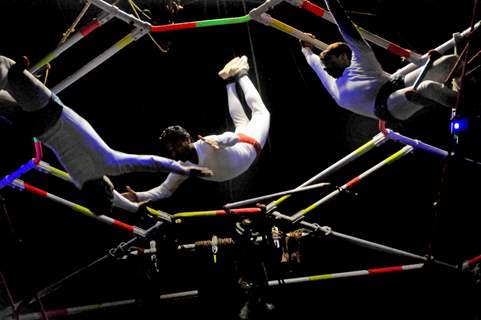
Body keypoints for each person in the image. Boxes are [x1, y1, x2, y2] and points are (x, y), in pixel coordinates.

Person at [0, 55, 213, 214]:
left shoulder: (110, 163)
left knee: (10, 69)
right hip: (34, 127)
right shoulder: (80, 178)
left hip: (48, 111)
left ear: (108, 184)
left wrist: (185, 170)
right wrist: (133, 208)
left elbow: (149, 162)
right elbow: (111, 200)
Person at [122, 55, 270, 208]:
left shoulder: (205, 144)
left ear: (188, 140)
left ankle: (241, 73)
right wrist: (138, 196)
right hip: (242, 153)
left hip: (250, 145)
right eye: (171, 150)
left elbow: (233, 138)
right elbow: (164, 190)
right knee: (241, 122)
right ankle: (228, 80)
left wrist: (218, 140)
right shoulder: (182, 167)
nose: (175, 152)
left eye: (177, 145)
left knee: (261, 113)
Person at [300, 0, 461, 122]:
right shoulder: (330, 78)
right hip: (386, 105)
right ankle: (468, 106)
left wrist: (331, 2)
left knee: (450, 61)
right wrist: (305, 46)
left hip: (394, 84)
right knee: (428, 88)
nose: (325, 68)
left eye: (328, 61)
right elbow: (311, 59)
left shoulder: (361, 59)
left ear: (343, 57)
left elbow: (345, 25)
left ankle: (463, 90)